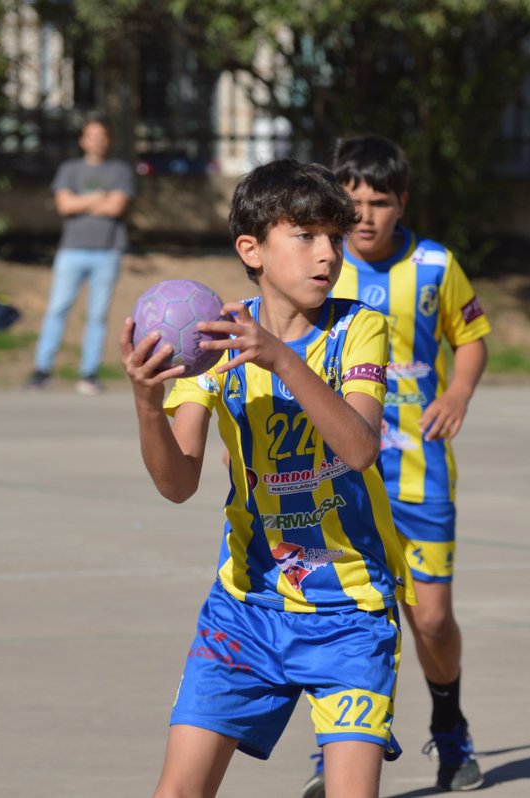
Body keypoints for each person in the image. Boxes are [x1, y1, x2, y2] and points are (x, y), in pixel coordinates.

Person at [121, 159, 415, 798]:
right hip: (246, 609)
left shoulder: (358, 327)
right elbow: (178, 482)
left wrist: (280, 358)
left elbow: (362, 448)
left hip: (351, 611)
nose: (327, 255)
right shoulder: (213, 343)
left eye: (334, 239)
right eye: (305, 236)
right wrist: (148, 405)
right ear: (250, 249)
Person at [302, 134, 491, 796]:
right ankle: (342, 746)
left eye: (379, 201)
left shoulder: (436, 266)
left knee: (430, 619)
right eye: (351, 201)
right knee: (352, 617)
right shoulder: (320, 267)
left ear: (402, 202)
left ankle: (450, 723)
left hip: (419, 473)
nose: (364, 215)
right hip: (342, 479)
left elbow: (471, 339)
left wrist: (458, 392)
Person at [27, 119, 134, 395]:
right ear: (82, 140)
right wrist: (99, 197)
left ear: (107, 140)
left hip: (107, 253)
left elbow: (116, 207)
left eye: (102, 135)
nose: (96, 140)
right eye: (91, 135)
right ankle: (42, 370)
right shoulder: (69, 170)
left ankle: (89, 374)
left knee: (97, 316)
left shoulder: (119, 171)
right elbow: (64, 205)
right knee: (57, 310)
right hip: (71, 251)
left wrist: (82, 202)